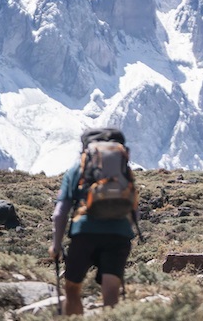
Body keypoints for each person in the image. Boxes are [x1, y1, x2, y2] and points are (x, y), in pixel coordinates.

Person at [51, 129, 138, 315]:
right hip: (118, 234)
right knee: (111, 290)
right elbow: (133, 205)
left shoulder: (78, 169)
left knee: (72, 288)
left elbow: (60, 213)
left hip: (85, 233)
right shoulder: (125, 170)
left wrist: (56, 245)